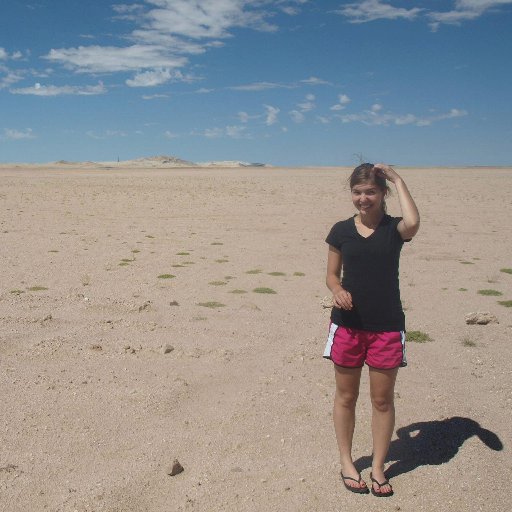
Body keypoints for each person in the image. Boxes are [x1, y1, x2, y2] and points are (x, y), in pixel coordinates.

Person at [323, 163, 420, 497]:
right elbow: (332, 275)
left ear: (383, 193)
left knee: (381, 400)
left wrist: (397, 177)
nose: (363, 199)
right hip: (348, 326)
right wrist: (337, 291)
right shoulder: (340, 231)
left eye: (371, 192)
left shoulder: (395, 229)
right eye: (357, 192)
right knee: (346, 396)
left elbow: (414, 223)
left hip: (387, 326)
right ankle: (347, 462)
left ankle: (378, 467)